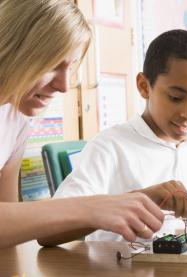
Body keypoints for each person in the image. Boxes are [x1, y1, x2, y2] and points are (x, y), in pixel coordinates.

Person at [38, 29, 187, 245]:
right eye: (176, 97)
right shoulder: (110, 147)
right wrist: (142, 199)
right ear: (145, 86)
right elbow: (47, 231)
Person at [0, 0, 164, 249]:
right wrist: (88, 208)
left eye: (70, 67)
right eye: (54, 65)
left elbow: (7, 231)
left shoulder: (16, 121)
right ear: (13, 47)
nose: (64, 86)